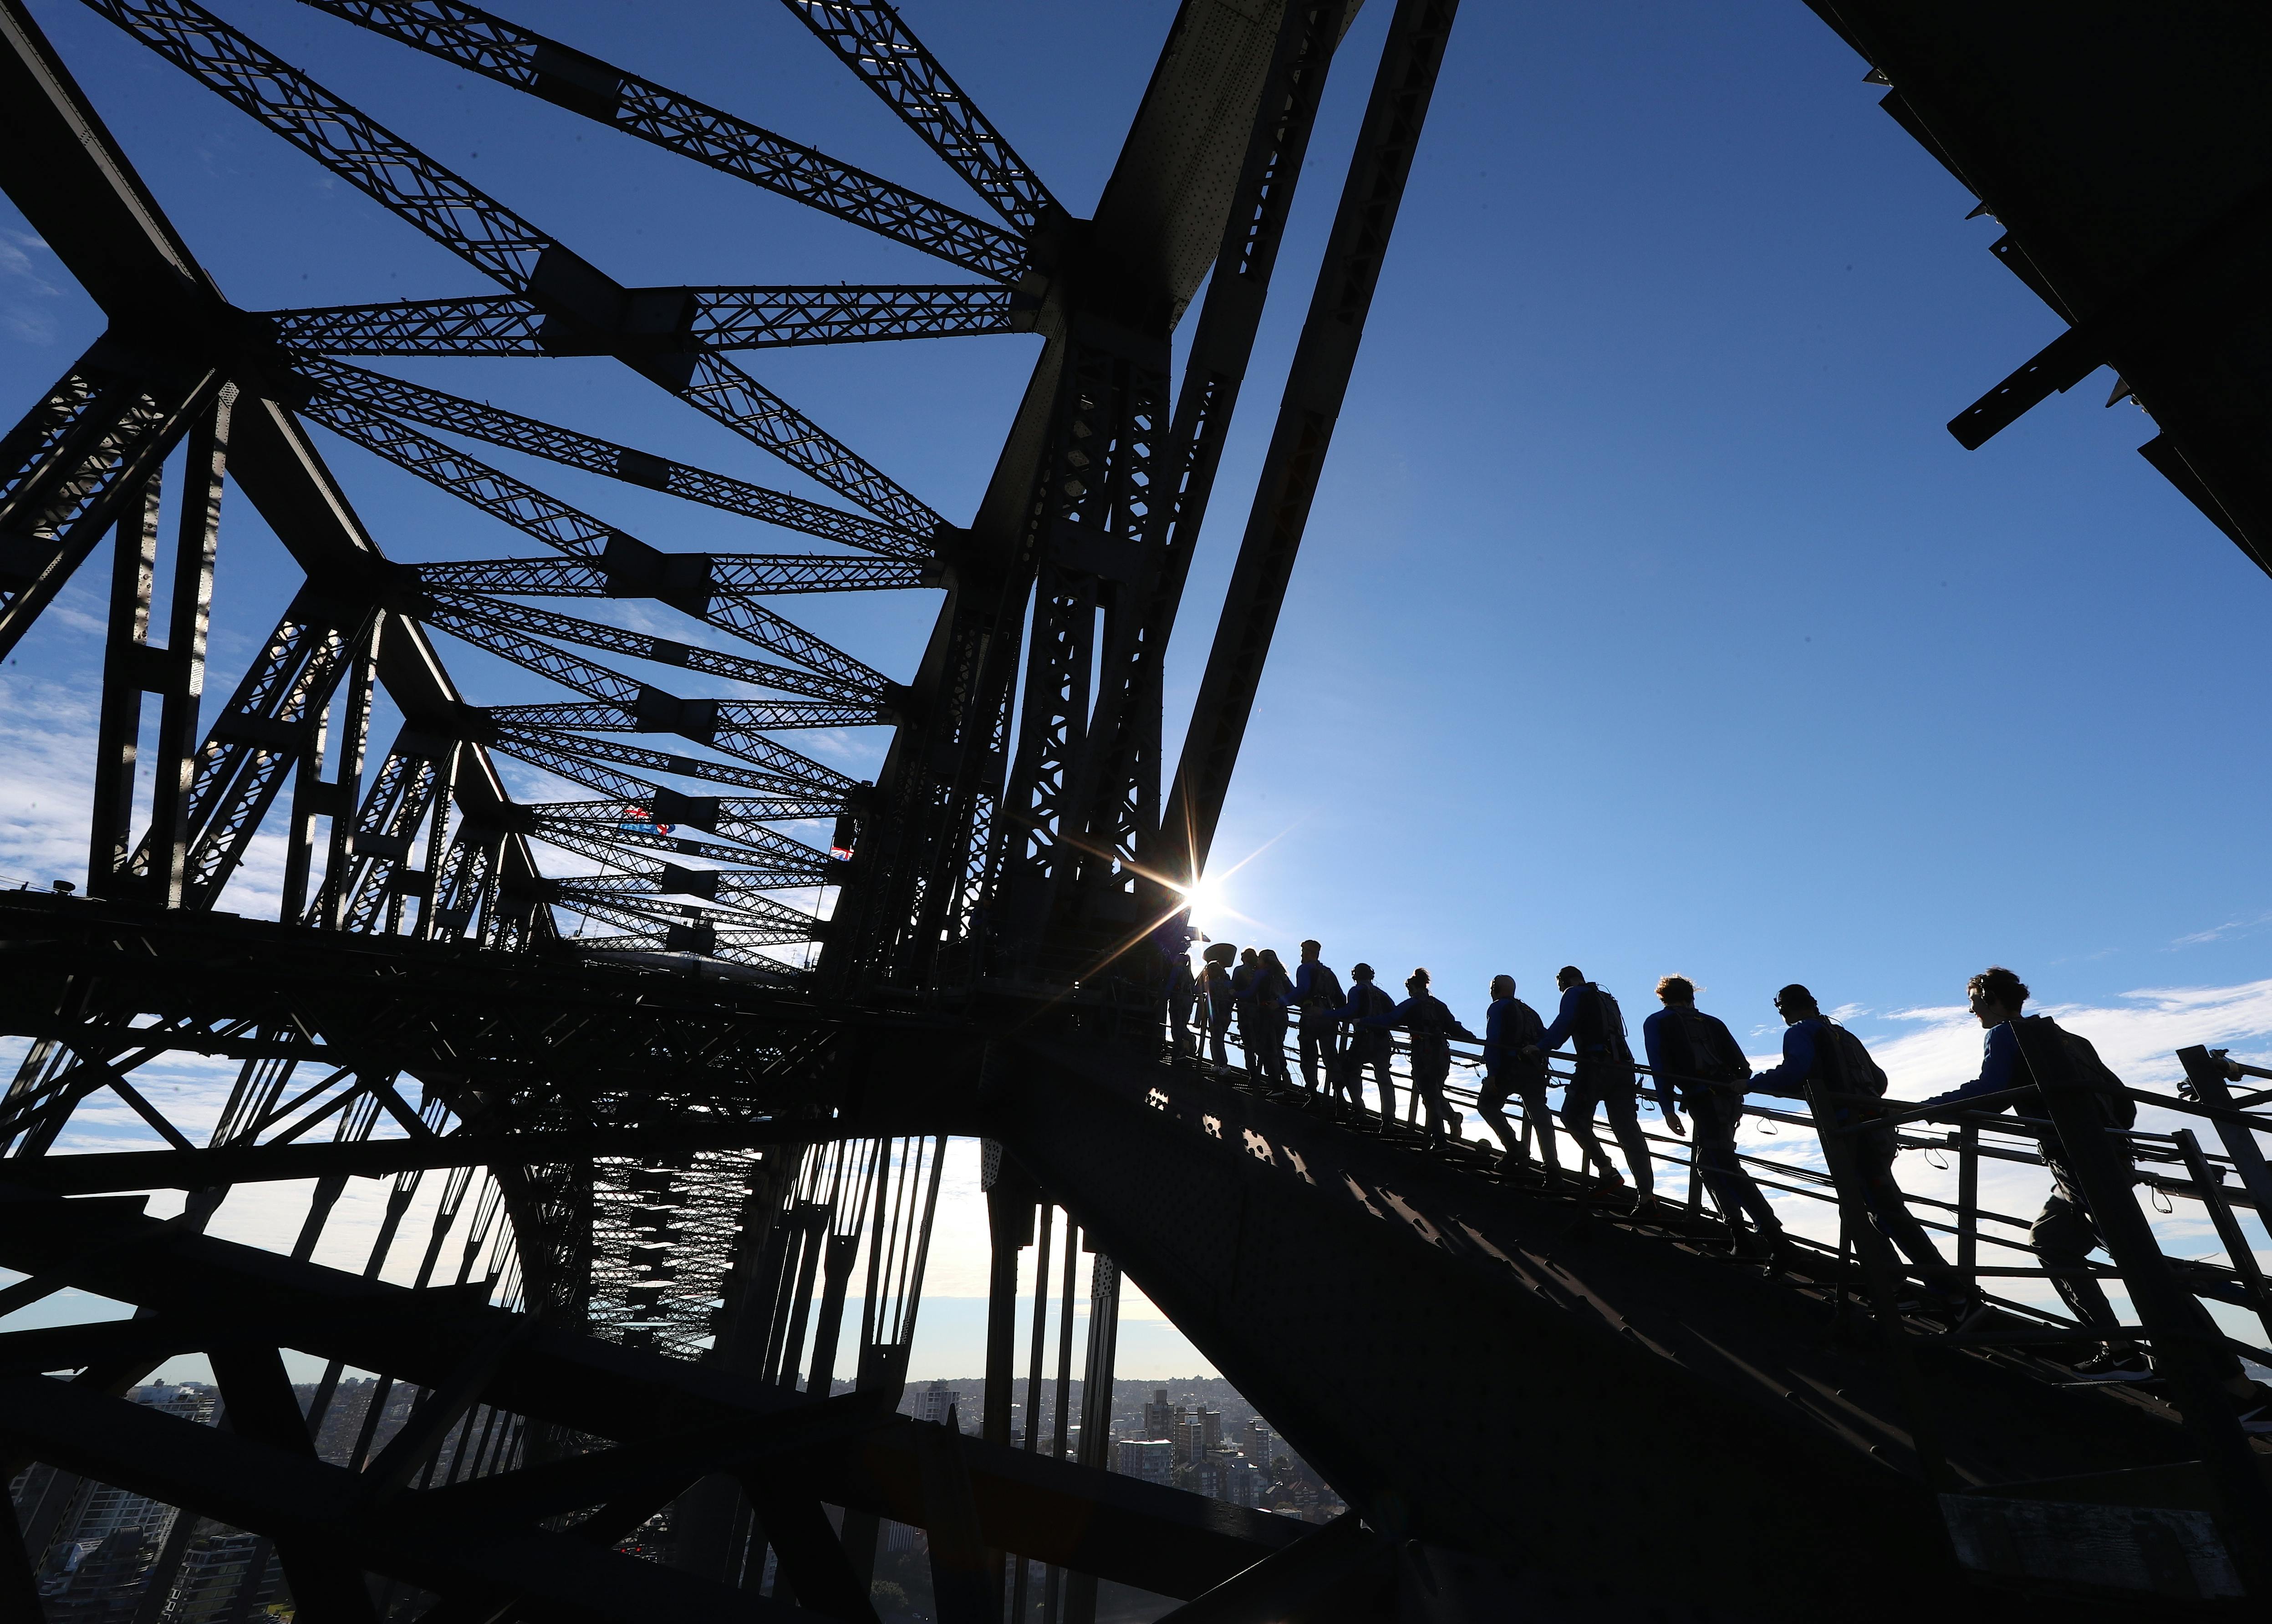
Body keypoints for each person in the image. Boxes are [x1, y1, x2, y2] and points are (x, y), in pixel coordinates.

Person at [1914, 968, 2261, 1401]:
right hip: (2103, 1158)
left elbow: (1991, 1090)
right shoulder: (2071, 1038)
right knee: (2051, 1239)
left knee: (2144, 1268)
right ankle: (2120, 1351)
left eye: (1974, 1002)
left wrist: (1926, 1109)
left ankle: (2239, 1390)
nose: (1972, 1011)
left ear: (1991, 999)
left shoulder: (2004, 1034)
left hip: (2080, 1164)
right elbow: (2123, 1102)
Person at [1747, 983, 1965, 1306]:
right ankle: (1893, 1284)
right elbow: (1879, 1080)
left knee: (1883, 1212)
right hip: (1877, 1128)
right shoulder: (1844, 1034)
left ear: (1784, 1009)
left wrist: (1751, 1084)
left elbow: (1794, 1071)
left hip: (1850, 1135)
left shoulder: (1800, 1032)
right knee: (1865, 1208)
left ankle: (1950, 1293)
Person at [1642, 975, 1783, 1250]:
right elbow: (1743, 1067)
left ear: (1663, 998)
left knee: (1722, 1166)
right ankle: (1742, 1235)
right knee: (1712, 1163)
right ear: (1691, 996)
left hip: (1702, 1101)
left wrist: (1668, 1109)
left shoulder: (1658, 1022)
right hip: (1728, 1100)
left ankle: (1773, 1238)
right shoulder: (1713, 1023)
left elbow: (1661, 1069)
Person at [1529, 967, 1659, 1204]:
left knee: (1572, 1116)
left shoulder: (1574, 993)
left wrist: (1541, 1046)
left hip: (1595, 1066)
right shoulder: (1606, 997)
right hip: (1623, 1067)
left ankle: (1607, 1170)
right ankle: (1647, 1196)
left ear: (1563, 980)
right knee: (1628, 1131)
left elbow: (1564, 1024)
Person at [1363, 969, 1477, 1141]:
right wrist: (1473, 1038)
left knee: (1430, 1098)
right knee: (1434, 1093)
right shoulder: (1439, 1006)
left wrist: (1364, 1022)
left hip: (1423, 1053)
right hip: (1442, 1053)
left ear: (1413, 988)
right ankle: (1451, 1118)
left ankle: (1440, 1141)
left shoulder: (1411, 1005)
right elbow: (1454, 1028)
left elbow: (1390, 1019)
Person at [1477, 975, 1555, 1173]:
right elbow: (1545, 1038)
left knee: (1487, 1105)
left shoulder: (1498, 1007)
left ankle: (1514, 1148)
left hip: (1510, 1069)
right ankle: (1553, 1169)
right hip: (1534, 1070)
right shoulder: (1530, 1012)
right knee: (1540, 1116)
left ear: (1495, 989)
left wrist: (1493, 1073)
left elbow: (1493, 1041)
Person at [1334, 963, 1397, 1118]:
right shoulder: (1382, 994)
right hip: (1383, 1040)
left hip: (1363, 1038)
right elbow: (1394, 1015)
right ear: (1372, 976)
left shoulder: (1356, 991)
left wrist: (1327, 1014)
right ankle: (1388, 1118)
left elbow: (1350, 1010)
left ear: (1355, 976)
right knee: (1384, 1078)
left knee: (1349, 1068)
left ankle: (1358, 1107)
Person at [1293, 941, 1346, 1095]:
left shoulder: (1304, 969)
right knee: (1331, 1057)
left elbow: (1302, 990)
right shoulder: (1329, 973)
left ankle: (1313, 1094)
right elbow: (1341, 999)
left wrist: (1281, 1002)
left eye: (1303, 951)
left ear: (1308, 952)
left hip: (1311, 1016)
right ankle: (1339, 1096)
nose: (1301, 955)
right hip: (1329, 1018)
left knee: (1309, 1056)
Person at [1249, 948, 1294, 1085]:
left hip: (1266, 1014)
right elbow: (1293, 994)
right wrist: (1280, 1002)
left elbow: (1250, 992)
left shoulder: (1261, 974)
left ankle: (1275, 1084)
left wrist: (1235, 994)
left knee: (1267, 1047)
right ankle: (1284, 1071)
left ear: (1264, 961)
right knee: (1278, 1045)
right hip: (1282, 1014)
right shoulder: (1282, 975)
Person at [1200, 942, 1237, 1068]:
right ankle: (1221, 1064)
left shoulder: (1211, 984)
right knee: (1220, 1039)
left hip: (1215, 1015)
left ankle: (1221, 1064)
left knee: (1215, 1040)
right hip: (1226, 1015)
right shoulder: (1228, 983)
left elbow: (1196, 989)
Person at [1231, 948, 1261, 1075]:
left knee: (1248, 1042)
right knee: (1260, 1041)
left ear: (1245, 958)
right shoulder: (1260, 971)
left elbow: (1233, 988)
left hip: (1244, 1009)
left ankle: (1252, 1073)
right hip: (1261, 1011)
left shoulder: (1239, 970)